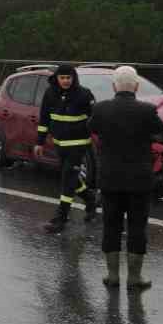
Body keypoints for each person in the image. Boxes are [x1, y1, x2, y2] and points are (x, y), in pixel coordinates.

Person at [88, 65, 163, 290]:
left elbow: (92, 129)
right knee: (137, 226)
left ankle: (113, 276)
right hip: (139, 179)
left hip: (110, 178)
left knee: (111, 225)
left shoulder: (100, 109)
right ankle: (135, 278)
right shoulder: (147, 111)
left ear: (114, 86)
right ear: (136, 86)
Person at [37, 63, 98, 234]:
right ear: (57, 78)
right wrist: (39, 142)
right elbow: (44, 120)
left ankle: (61, 219)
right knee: (70, 177)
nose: (65, 81)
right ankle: (90, 199)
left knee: (67, 179)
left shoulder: (84, 94)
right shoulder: (50, 93)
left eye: (68, 78)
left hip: (78, 145)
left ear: (74, 78)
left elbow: (94, 118)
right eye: (62, 77)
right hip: (60, 144)